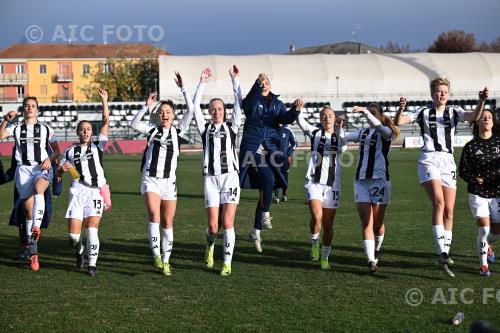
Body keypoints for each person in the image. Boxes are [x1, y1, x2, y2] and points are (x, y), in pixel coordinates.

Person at [395, 79, 489, 277]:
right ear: (432, 94)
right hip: (429, 159)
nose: (442, 94)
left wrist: (481, 101)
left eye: (445, 91)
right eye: (438, 91)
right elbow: (398, 122)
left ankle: (443, 253)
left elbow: (473, 117)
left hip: (448, 161)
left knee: (449, 211)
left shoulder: (454, 111)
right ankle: (443, 252)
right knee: (439, 203)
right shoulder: (423, 112)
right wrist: (400, 109)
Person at [176, 66, 242, 276]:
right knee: (214, 227)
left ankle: (227, 263)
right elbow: (194, 106)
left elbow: (239, 103)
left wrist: (235, 80)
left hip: (230, 179)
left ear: (225, 111)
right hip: (211, 181)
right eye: (213, 109)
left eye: (220, 109)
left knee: (228, 222)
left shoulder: (232, 127)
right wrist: (201, 83)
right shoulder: (205, 129)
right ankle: (210, 246)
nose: (216, 111)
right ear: (209, 112)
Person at [130, 83, 194, 276]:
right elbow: (134, 124)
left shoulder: (178, 131)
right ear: (157, 115)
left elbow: (191, 110)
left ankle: (166, 261)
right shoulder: (152, 129)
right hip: (151, 179)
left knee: (167, 223)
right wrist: (146, 106)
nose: (164, 114)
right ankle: (156, 256)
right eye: (161, 112)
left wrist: (184, 88)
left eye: (168, 111)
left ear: (173, 115)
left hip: (169, 183)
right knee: (154, 216)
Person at [239, 73, 301, 252]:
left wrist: (295, 110)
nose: (264, 84)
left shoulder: (277, 103)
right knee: (269, 180)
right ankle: (265, 214)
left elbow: (285, 118)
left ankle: (256, 230)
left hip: (271, 149)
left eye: (267, 82)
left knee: (268, 187)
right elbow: (249, 102)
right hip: (254, 147)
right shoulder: (252, 100)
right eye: (262, 82)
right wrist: (256, 85)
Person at [0, 97, 60, 271]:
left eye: (33, 106)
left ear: (37, 110)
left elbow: (56, 150)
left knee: (40, 189)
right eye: (27, 106)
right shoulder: (16, 128)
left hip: (41, 167)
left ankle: (36, 227)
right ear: (23, 109)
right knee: (28, 212)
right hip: (23, 171)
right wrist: (5, 120)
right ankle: (33, 252)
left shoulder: (46, 128)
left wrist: (50, 159)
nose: (30, 108)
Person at [56, 88, 110, 277]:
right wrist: (60, 171)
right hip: (77, 192)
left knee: (92, 231)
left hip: (95, 192)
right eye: (82, 129)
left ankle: (92, 265)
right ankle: (79, 251)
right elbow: (58, 173)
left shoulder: (98, 146)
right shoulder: (69, 152)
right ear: (78, 132)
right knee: (73, 237)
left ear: (91, 132)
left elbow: (105, 121)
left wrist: (104, 101)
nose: (86, 132)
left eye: (88, 129)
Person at [345, 104, 400, 273]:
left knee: (378, 223)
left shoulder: (386, 132)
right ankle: (371, 261)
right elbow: (344, 136)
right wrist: (338, 128)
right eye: (370, 113)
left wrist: (367, 112)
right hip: (361, 181)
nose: (370, 117)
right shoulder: (363, 133)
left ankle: (377, 249)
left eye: (374, 113)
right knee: (366, 223)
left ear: (381, 115)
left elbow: (378, 126)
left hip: (380, 181)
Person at [296, 105, 346, 270]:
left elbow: (343, 148)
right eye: (323, 116)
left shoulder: (339, 136)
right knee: (317, 217)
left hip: (333, 186)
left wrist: (340, 131)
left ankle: (325, 258)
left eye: (330, 115)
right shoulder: (315, 133)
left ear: (334, 117)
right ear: (320, 119)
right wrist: (298, 109)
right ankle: (314, 242)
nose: (327, 118)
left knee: (328, 224)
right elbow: (301, 122)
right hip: (314, 182)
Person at [459, 109, 500, 277]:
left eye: (489, 117)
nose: (487, 119)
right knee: (484, 229)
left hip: (497, 193)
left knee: (496, 232)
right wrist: (474, 179)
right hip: (478, 192)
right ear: (477, 122)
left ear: (493, 122)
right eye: (483, 117)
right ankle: (483, 265)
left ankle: (487, 246)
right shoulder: (471, 146)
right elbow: (462, 170)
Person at [273, 124, 297, 203]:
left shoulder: (288, 130)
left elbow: (294, 143)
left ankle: (284, 195)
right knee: (275, 176)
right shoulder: (273, 129)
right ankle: (276, 196)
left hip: (284, 158)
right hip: (274, 158)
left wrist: (288, 153)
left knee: (284, 176)